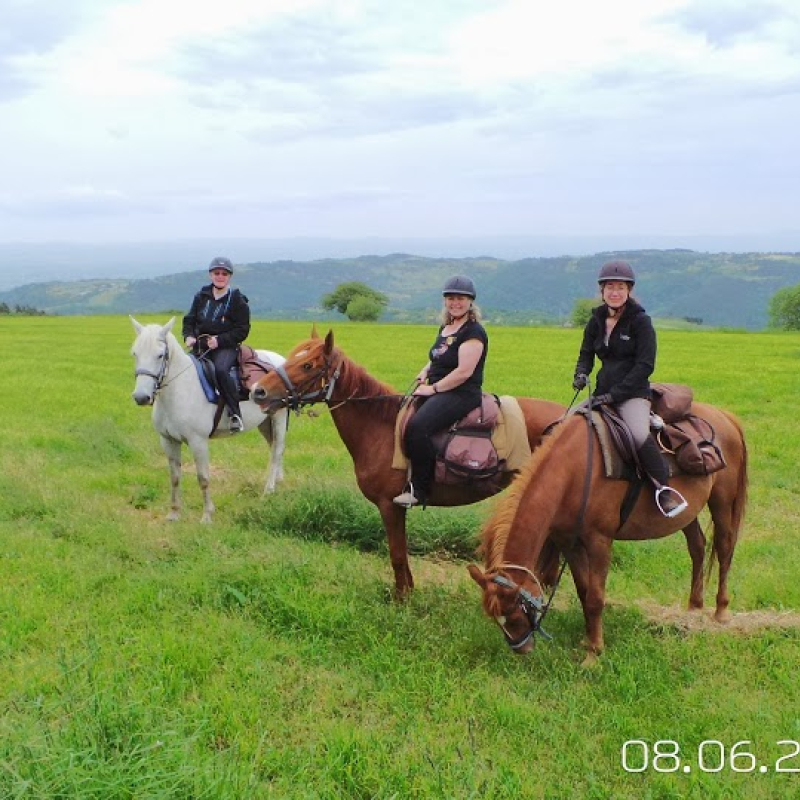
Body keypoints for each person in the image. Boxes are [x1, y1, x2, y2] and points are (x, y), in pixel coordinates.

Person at [572, 260, 688, 517]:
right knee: (566, 423)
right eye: (610, 287)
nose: (615, 292)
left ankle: (664, 490)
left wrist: (616, 394)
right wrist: (580, 374)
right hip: (602, 393)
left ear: (629, 290)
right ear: (602, 291)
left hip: (633, 393)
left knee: (636, 434)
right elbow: (586, 354)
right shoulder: (596, 320)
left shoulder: (641, 321)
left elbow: (645, 365)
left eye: (620, 287)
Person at [393, 275, 488, 508]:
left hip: (460, 392)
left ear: (470, 302)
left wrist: (433, 389)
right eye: (451, 298)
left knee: (418, 428)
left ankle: (421, 490)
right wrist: (424, 372)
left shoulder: (473, 332)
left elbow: (463, 372)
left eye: (461, 299)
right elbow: (438, 358)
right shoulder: (446, 327)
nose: (455, 303)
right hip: (437, 388)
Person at [182, 256, 250, 433]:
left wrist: (219, 341)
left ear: (229, 277)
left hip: (226, 347)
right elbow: (189, 320)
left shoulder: (237, 300)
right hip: (200, 345)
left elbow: (242, 330)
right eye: (216, 273)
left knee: (220, 370)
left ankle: (235, 415)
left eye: (224, 273)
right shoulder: (201, 296)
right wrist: (188, 336)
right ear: (211, 275)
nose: (220, 276)